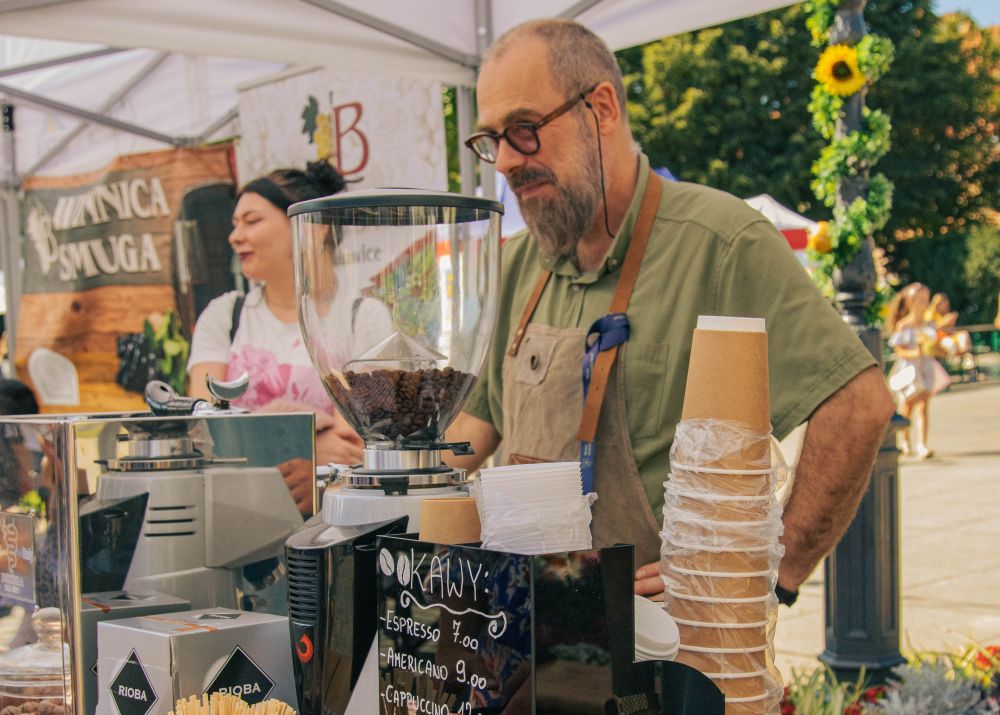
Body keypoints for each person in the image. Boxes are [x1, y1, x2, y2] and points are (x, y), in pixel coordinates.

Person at [445, 18, 894, 604]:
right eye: (491, 140)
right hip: (530, 633)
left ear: (601, 108)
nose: (503, 161)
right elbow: (476, 429)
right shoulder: (515, 265)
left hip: (673, 646)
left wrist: (770, 568)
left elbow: (860, 406)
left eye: (524, 129)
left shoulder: (722, 242)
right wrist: (391, 466)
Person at [188, 161, 393, 512]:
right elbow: (203, 432)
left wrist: (251, 435)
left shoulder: (364, 318)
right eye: (235, 224)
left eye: (252, 221)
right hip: (235, 512)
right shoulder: (225, 316)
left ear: (312, 229)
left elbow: (356, 443)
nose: (234, 236)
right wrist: (306, 444)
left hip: (330, 517)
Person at [886, 283, 950, 459]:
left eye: (926, 300)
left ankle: (921, 443)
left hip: (925, 367)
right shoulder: (904, 325)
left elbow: (936, 345)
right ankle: (905, 440)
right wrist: (916, 352)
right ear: (912, 301)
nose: (924, 303)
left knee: (923, 405)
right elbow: (899, 350)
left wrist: (941, 349)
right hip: (909, 369)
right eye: (921, 300)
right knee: (907, 406)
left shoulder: (929, 324)